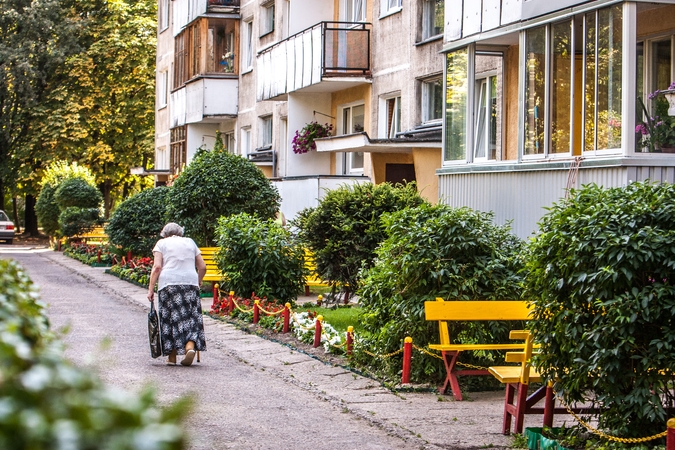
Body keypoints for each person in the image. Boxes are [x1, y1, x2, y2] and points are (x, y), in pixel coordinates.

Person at [147, 223, 207, 366]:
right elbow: (203, 267)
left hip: (169, 284)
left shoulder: (161, 243)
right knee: (191, 316)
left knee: (169, 317)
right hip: (190, 283)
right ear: (180, 232)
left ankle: (172, 357)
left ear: (165, 233)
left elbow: (157, 267)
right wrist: (198, 281)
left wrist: (150, 289)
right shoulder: (190, 242)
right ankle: (189, 347)